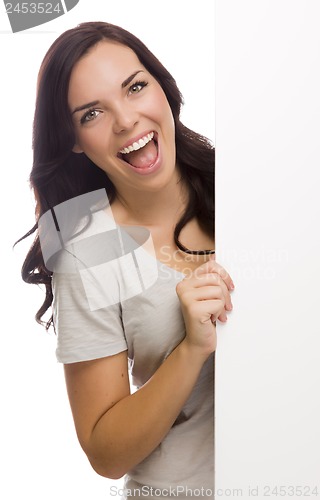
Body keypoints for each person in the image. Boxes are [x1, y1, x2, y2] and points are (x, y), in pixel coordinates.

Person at [19, 22, 234, 499]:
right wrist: (191, 349)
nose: (125, 120)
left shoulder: (248, 181)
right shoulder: (84, 247)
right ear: (73, 139)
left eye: (135, 87)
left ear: (163, 87)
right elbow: (105, 453)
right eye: (92, 113)